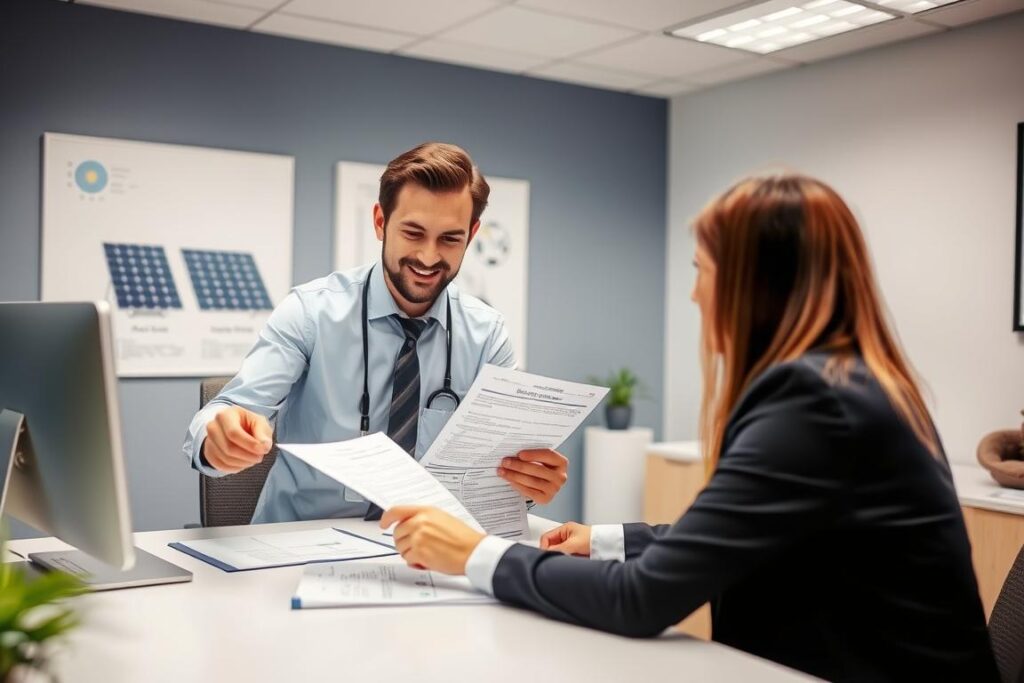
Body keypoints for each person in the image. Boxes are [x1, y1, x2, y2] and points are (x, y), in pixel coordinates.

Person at [380, 173, 999, 681]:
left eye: (702, 270)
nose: (696, 296)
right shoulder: (850, 383)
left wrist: (475, 553)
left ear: (752, 286)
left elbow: (642, 600)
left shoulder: (812, 403)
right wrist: (603, 539)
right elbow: (743, 530)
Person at [183, 142, 568, 524]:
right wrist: (219, 438)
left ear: (472, 233)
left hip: (425, 549)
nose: (429, 257)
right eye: (413, 233)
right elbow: (227, 410)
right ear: (381, 222)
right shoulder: (310, 312)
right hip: (299, 546)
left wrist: (529, 483)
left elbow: (502, 472)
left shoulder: (487, 337)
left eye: (450, 238)